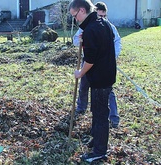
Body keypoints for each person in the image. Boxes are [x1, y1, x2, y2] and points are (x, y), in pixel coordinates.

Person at [69, 0, 116, 163]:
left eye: (75, 16)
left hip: (100, 78)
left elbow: (90, 60)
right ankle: (97, 140)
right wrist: (85, 40)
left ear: (82, 10)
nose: (75, 20)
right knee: (97, 112)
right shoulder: (102, 23)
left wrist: (80, 73)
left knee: (101, 114)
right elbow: (101, 45)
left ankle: (99, 152)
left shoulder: (91, 29)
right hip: (106, 75)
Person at [73, 2, 121, 128]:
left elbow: (116, 42)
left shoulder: (108, 26)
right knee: (84, 87)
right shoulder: (86, 26)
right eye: (100, 15)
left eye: (104, 15)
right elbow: (77, 41)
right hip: (91, 63)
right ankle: (81, 108)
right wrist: (81, 39)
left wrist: (110, 57)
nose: (102, 18)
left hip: (102, 66)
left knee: (106, 94)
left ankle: (114, 117)